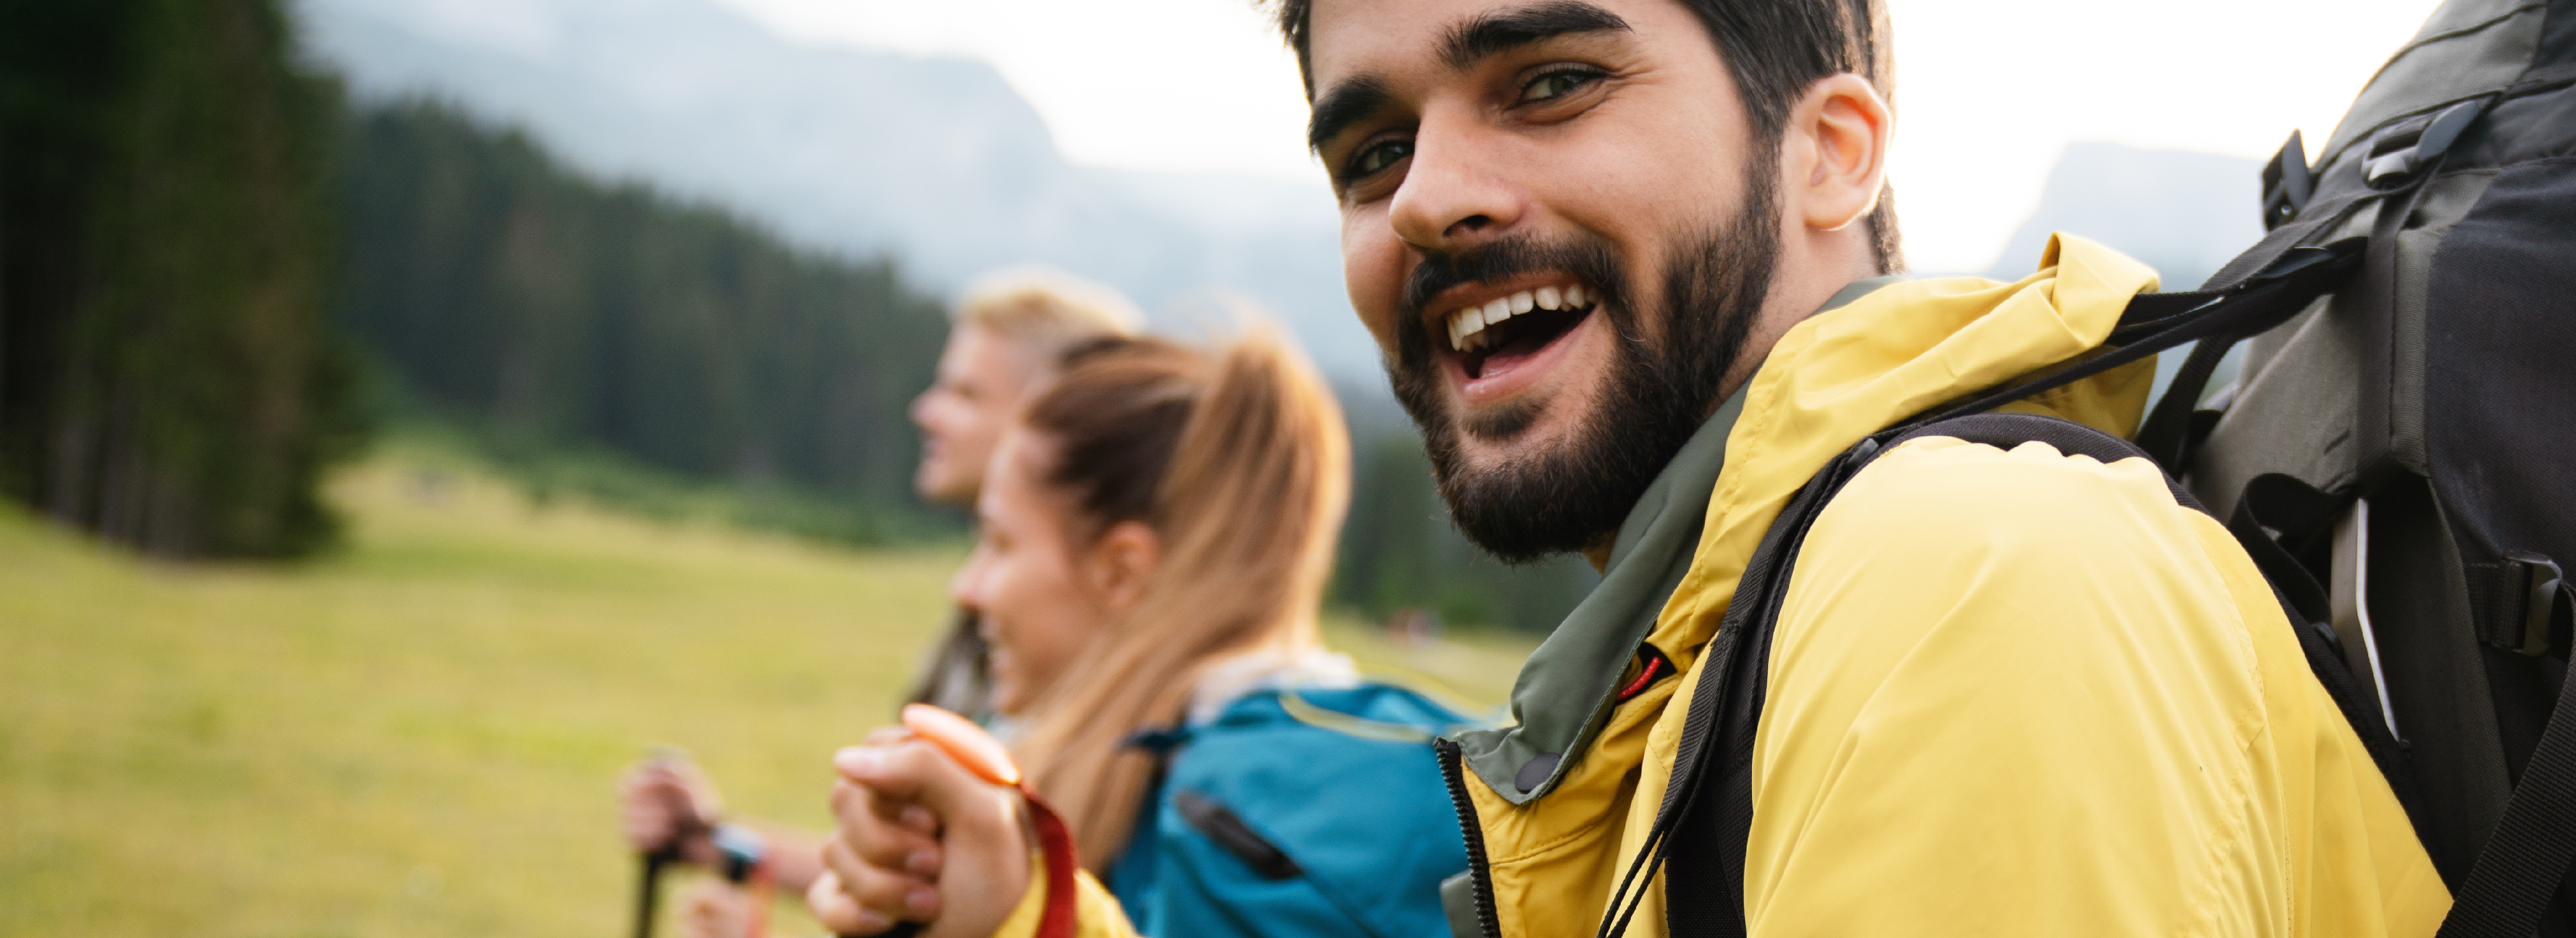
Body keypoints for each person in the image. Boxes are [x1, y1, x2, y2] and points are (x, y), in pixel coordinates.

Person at [815, 0, 2453, 935]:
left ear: (1829, 154)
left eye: (1549, 82)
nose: (1427, 198)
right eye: (1372, 151)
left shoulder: (1966, 584)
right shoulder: (1719, 651)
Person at [817, 331, 1477, 938]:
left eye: (998, 541)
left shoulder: (1230, 817)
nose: (969, 587)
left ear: (1120, 571)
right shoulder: (1199, 771)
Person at [618, 266, 1140, 937]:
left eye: (964, 391)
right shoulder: (990, 625)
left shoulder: (1070, 657)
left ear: (1054, 415)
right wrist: (720, 842)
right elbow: (929, 879)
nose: (926, 411)